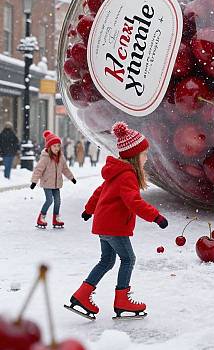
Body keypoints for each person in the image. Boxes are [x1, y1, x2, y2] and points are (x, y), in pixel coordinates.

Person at [67, 122, 168, 320]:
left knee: (106, 261)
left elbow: (99, 192)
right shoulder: (127, 176)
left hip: (104, 226)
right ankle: (122, 300)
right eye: (144, 155)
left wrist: (89, 210)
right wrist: (156, 216)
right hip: (114, 227)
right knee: (128, 259)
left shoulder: (116, 172)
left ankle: (82, 295)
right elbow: (134, 202)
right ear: (134, 156)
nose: (146, 158)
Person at [30, 130, 77, 228]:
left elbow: (65, 169)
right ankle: (41, 217)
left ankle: (56, 218)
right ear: (49, 147)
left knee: (58, 201)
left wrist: (71, 178)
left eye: (58, 146)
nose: (57, 148)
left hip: (57, 183)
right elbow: (38, 169)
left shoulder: (61, 157)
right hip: (47, 183)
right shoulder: (45, 157)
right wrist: (34, 181)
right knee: (49, 200)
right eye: (54, 146)